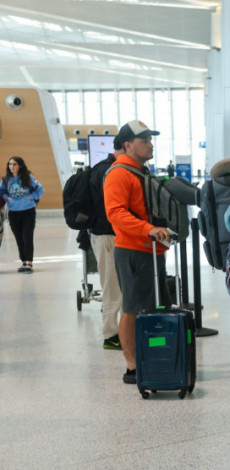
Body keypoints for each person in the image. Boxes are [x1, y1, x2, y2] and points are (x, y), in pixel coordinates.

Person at [104, 120, 171, 384]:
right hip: (133, 250)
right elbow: (116, 214)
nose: (150, 144)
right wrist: (148, 229)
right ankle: (132, 366)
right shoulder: (119, 173)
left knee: (151, 307)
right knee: (132, 308)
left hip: (150, 249)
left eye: (150, 139)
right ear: (128, 145)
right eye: (144, 140)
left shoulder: (139, 172)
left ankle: (150, 357)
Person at [88, 139, 124, 350]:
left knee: (115, 285)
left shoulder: (105, 168)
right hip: (107, 236)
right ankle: (110, 335)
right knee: (112, 287)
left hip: (106, 235)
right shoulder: (108, 170)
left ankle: (118, 331)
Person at [1, 157, 44, 273]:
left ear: (20, 165)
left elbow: (41, 189)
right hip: (13, 213)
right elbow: (2, 192)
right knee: (19, 238)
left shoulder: (29, 177)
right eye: (10, 164)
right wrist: (7, 198)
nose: (12, 167)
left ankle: (29, 263)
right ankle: (23, 261)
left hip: (28, 212)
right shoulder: (5, 179)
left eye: (14, 164)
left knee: (27, 236)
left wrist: (33, 196)